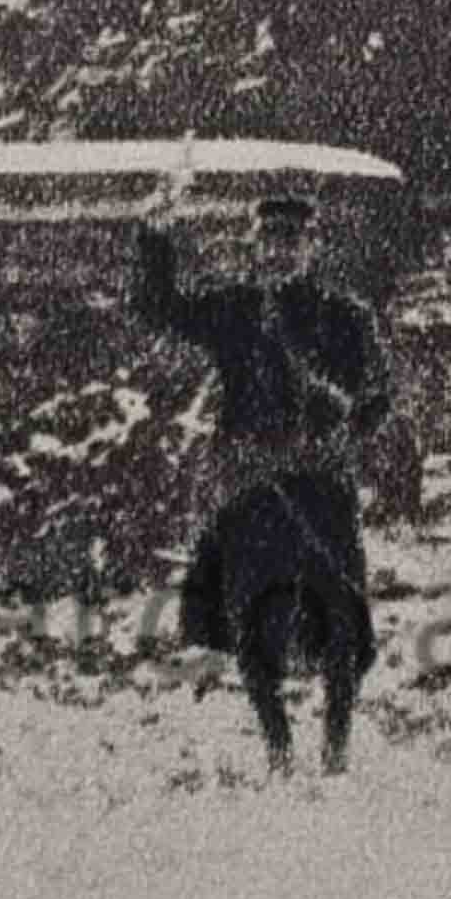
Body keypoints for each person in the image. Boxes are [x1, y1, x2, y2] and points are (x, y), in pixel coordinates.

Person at [134, 188, 394, 777]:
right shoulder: (235, 311)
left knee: (340, 621)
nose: (279, 252)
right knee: (248, 619)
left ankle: (336, 745)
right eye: (270, 240)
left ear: (313, 246)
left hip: (321, 487)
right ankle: (277, 744)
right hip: (251, 485)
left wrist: (345, 416)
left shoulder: (347, 318)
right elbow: (160, 309)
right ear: (255, 245)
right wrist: (155, 236)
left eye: (291, 240)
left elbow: (380, 399)